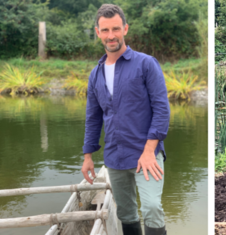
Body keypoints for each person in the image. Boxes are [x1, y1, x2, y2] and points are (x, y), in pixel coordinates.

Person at [81, 4, 170, 235]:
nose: (111, 36)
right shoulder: (95, 74)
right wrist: (88, 156)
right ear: (98, 32)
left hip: (146, 154)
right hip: (115, 156)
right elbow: (93, 118)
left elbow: (161, 109)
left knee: (151, 207)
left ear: (125, 29)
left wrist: (150, 150)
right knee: (126, 213)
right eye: (105, 30)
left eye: (116, 29)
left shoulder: (145, 63)